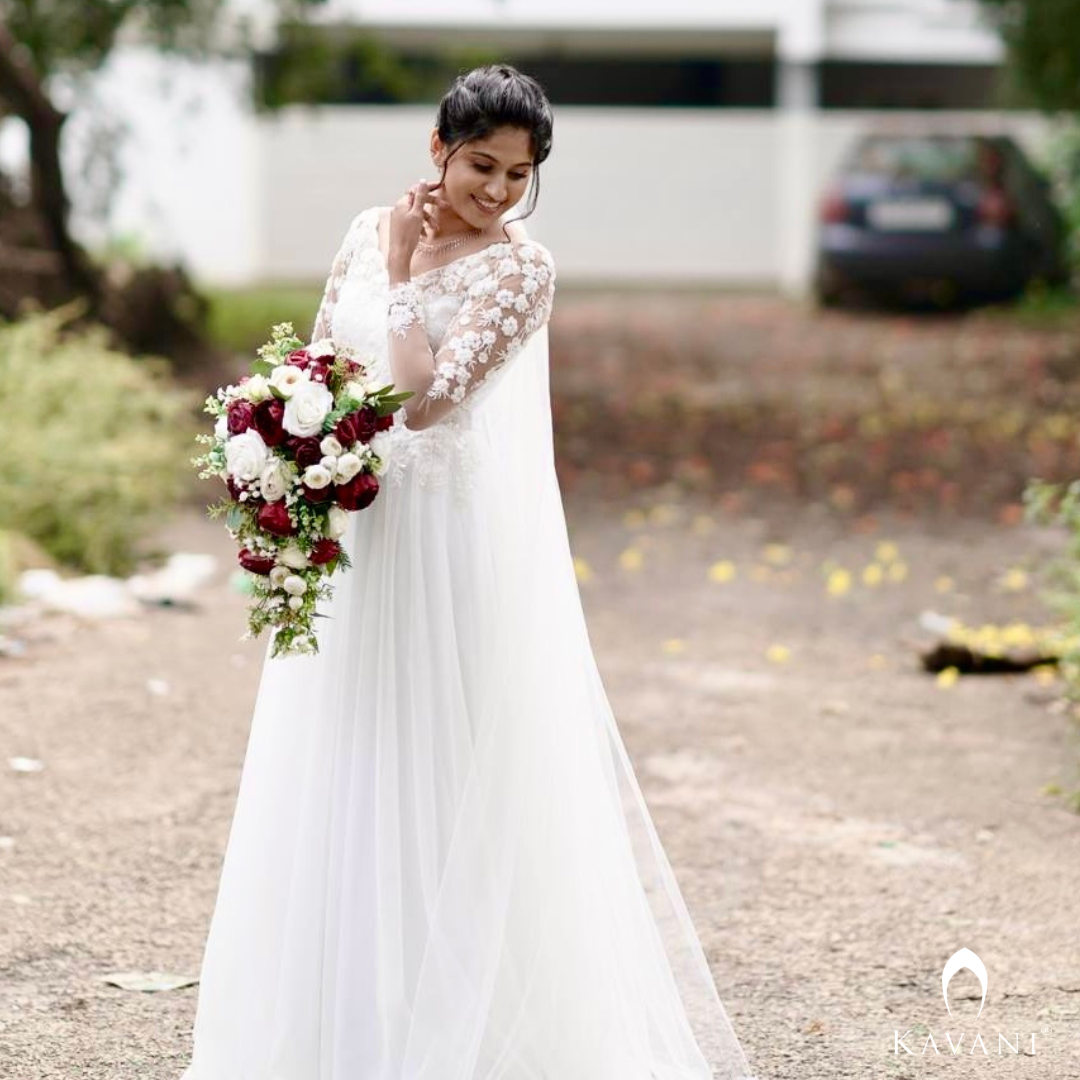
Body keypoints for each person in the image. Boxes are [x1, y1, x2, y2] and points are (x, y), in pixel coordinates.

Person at [180, 63, 758, 1080]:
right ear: (437, 149)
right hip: (357, 529)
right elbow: (318, 363)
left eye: (518, 174)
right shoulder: (367, 226)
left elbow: (425, 403)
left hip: (445, 548)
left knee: (440, 757)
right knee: (344, 755)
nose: (495, 191)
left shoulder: (522, 272)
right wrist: (285, 450)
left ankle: (458, 1031)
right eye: (480, 165)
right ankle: (343, 1022)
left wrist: (406, 280)